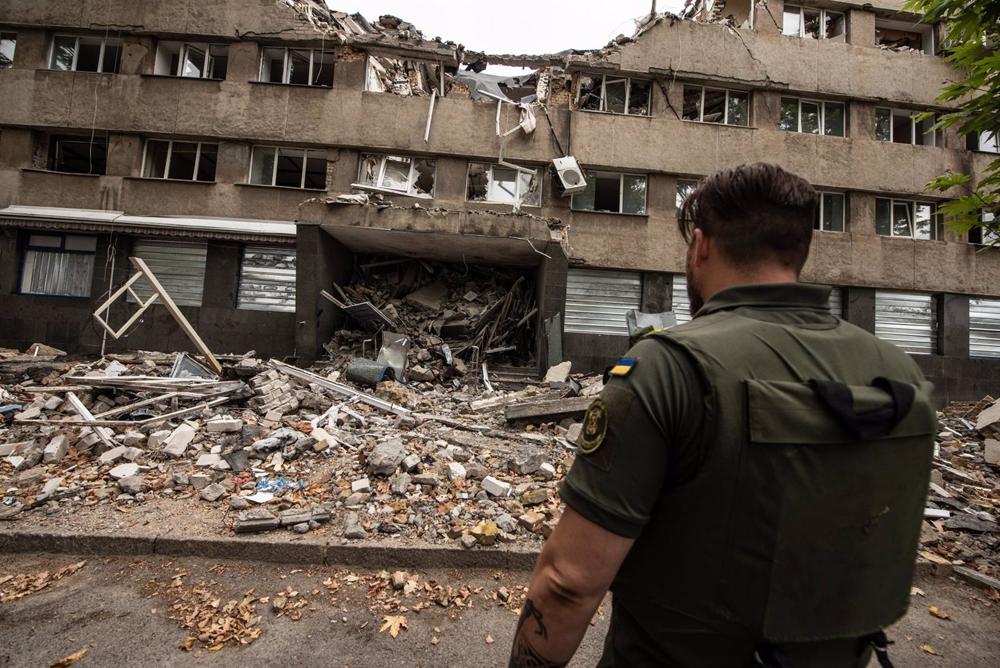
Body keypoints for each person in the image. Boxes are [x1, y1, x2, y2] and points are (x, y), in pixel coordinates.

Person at [508, 163, 936, 668]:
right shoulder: (899, 373)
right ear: (801, 250)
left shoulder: (667, 368)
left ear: (702, 247)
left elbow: (567, 584)